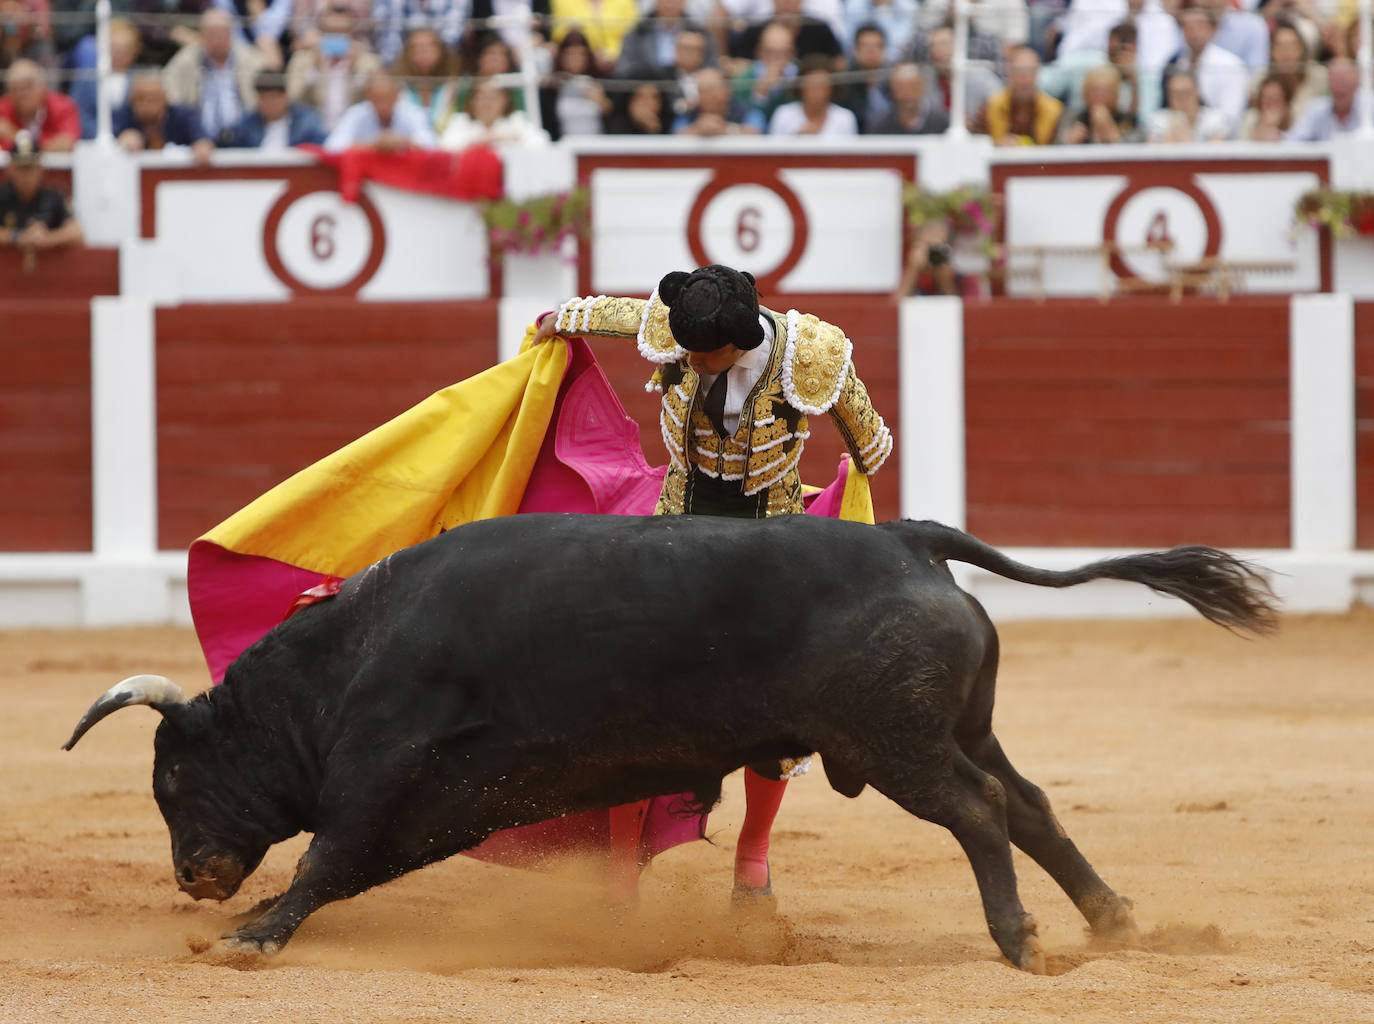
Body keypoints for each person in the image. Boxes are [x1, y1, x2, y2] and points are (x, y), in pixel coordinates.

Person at [530, 264, 893, 904]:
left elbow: (871, 446)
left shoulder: (811, 357)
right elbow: (610, 313)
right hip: (679, 532)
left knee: (776, 708)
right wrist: (556, 321)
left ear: (743, 340)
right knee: (637, 697)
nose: (691, 362)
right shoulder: (680, 330)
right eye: (687, 350)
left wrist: (855, 479)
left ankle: (753, 853)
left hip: (771, 546)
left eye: (705, 355)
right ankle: (620, 870)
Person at [163, 7, 266, 146]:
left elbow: (263, 102)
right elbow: (171, 99)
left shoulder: (252, 60)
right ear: (201, 34)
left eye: (222, 33)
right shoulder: (184, 62)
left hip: (246, 139)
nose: (218, 40)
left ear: (231, 33)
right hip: (196, 139)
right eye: (212, 34)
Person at [286, 3, 383, 133]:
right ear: (321, 32)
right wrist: (315, 68)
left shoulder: (369, 62)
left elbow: (374, 106)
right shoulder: (302, 60)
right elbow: (293, 101)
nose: (337, 35)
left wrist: (354, 70)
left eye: (342, 31)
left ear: (352, 33)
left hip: (354, 136)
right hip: (312, 133)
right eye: (331, 31)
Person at [1162, 5, 1246, 135]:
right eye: (1188, 28)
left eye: (1200, 26)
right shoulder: (1174, 62)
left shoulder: (1231, 65)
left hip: (1217, 138)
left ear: (1212, 29)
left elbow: (1231, 116)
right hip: (1178, 134)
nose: (1194, 33)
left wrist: (1206, 130)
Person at [0, 130, 82, 252]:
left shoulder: (53, 196)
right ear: (11, 169)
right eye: (21, 168)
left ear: (40, 169)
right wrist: (16, 237)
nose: (26, 175)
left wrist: (47, 239)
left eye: (30, 168)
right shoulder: (2, 196)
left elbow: (77, 233)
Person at [114, 70, 217, 162]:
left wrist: (201, 146)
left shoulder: (183, 115)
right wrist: (121, 141)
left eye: (154, 98)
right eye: (141, 98)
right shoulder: (122, 116)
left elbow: (203, 141)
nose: (147, 104)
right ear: (131, 100)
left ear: (165, 98)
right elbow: (108, 141)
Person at [323, 69, 438, 150]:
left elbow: (432, 143)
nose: (384, 104)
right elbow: (332, 146)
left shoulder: (412, 113)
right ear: (369, 97)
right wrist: (370, 145)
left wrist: (402, 142)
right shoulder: (356, 113)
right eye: (378, 99)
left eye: (388, 98)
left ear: (397, 95)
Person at [973, 45, 1063, 145]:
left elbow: (1058, 149)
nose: (1025, 80)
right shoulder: (990, 106)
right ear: (1009, 73)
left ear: (1038, 74)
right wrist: (997, 145)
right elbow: (977, 144)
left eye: (1030, 72)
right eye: (1019, 72)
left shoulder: (1054, 109)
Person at [72, 16, 141, 139]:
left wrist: (133, 135)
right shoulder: (87, 78)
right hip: (92, 144)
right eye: (115, 48)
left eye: (126, 48)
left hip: (130, 148)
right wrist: (111, 139)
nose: (120, 54)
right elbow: (80, 115)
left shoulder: (140, 80)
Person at [539, 29, 612, 139]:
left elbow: (614, 117)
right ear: (562, 57)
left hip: (596, 146)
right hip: (564, 146)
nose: (576, 59)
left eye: (581, 54)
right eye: (570, 54)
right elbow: (547, 123)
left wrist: (603, 103)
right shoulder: (552, 87)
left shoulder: (599, 83)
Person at [438, 76, 550, 148]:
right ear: (472, 101)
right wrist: (480, 140)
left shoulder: (516, 120)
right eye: (481, 97)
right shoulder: (460, 121)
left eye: (492, 97)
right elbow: (445, 146)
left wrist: (506, 138)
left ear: (504, 101)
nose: (486, 102)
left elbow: (541, 142)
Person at [228, 69, 327, 148]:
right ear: (257, 99)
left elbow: (320, 149)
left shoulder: (307, 121)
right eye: (264, 98)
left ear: (285, 96)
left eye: (274, 97)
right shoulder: (247, 125)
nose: (270, 103)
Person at [392, 26, 462, 132]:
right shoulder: (397, 88)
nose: (424, 54)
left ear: (441, 51)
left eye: (429, 48)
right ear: (407, 53)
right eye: (416, 49)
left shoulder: (456, 87)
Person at [0, 59, 78, 152]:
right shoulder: (3, 108)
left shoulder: (62, 106)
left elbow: (67, 143)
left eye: (28, 85)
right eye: (15, 88)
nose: (22, 93)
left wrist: (19, 137)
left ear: (42, 85)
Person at [766, 55, 858, 134]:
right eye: (811, 85)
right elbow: (774, 152)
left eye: (822, 85)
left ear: (832, 88)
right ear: (801, 87)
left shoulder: (845, 118)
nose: (817, 92)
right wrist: (796, 140)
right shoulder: (783, 114)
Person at [1285, 57, 1366, 141]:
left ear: (1357, 82)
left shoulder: (1369, 106)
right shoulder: (1317, 108)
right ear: (1328, 84)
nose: (1339, 87)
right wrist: (1279, 137)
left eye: (1344, 80)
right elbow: (1295, 139)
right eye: (1335, 80)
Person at [1059, 62, 1140, 141]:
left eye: (1106, 91)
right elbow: (1056, 144)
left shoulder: (1128, 120)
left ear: (1116, 94)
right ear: (1085, 93)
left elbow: (1137, 145)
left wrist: (1110, 131)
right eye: (1095, 90)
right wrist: (1070, 141)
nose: (1100, 95)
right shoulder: (1073, 118)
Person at [371, 0, 466, 67]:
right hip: (401, 61)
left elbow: (453, 34)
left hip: (443, 59)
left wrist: (433, 51)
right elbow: (388, 38)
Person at [672, 66, 764, 133]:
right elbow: (676, 134)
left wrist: (726, 129)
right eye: (702, 91)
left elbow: (757, 132)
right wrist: (698, 129)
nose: (709, 96)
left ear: (726, 91)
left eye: (712, 89)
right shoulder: (689, 114)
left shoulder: (746, 111)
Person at [1146, 67, 1228, 141]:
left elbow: (1216, 154)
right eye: (1176, 94)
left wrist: (1187, 143)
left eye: (1186, 93)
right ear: (1168, 96)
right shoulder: (1158, 121)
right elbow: (1150, 154)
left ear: (1197, 92)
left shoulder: (1214, 120)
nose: (1181, 99)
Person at [867, 59, 949, 133]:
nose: (907, 94)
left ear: (922, 86)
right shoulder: (879, 125)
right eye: (901, 87)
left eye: (912, 87)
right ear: (892, 89)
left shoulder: (942, 123)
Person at [841, 22, 893, 131]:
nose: (871, 52)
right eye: (865, 46)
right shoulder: (844, 84)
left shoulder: (894, 80)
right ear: (855, 50)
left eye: (876, 46)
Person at [1237, 72, 1294, 141]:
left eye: (1276, 98)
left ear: (1286, 101)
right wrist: (1265, 126)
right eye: (1267, 99)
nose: (1272, 104)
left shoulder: (1295, 121)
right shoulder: (1250, 120)